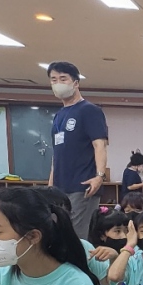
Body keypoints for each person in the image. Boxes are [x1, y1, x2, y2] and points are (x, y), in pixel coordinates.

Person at [47, 61, 108, 241]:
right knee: (58, 234)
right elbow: (56, 154)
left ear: (75, 83)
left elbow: (100, 145)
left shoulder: (89, 111)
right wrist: (50, 185)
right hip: (60, 187)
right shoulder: (59, 115)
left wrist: (99, 176)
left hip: (83, 186)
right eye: (54, 80)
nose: (58, 83)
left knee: (75, 238)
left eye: (63, 78)